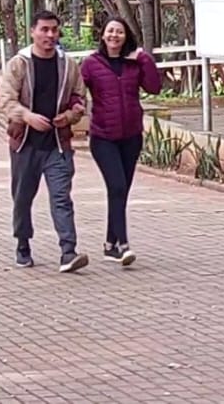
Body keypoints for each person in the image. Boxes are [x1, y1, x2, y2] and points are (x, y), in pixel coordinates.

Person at [0, 9, 89, 273]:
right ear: (33, 32)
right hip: (25, 144)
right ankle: (23, 244)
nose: (50, 35)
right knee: (23, 197)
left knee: (61, 197)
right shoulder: (19, 63)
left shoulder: (68, 64)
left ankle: (68, 252)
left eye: (54, 30)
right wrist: (27, 116)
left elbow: (79, 97)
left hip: (57, 145)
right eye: (44, 30)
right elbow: (6, 100)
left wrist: (70, 115)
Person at [80, 16, 161, 267]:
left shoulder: (133, 63)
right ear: (103, 35)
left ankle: (108, 245)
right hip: (103, 137)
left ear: (126, 36)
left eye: (120, 32)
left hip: (131, 136)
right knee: (116, 186)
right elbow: (76, 90)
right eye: (110, 31)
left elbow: (154, 87)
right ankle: (123, 245)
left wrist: (144, 58)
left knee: (121, 190)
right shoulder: (91, 64)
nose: (114, 36)